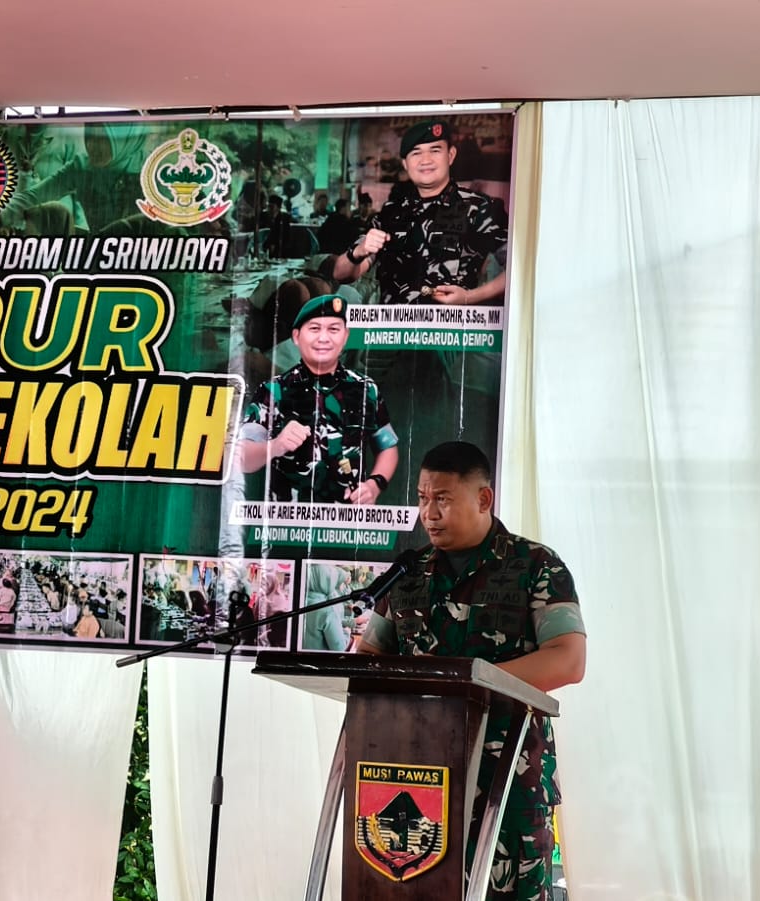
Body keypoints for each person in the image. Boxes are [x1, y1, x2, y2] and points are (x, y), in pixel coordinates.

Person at [359, 441, 585, 901]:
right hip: (413, 779)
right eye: (423, 498)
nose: (429, 513)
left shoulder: (535, 565)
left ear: (484, 498)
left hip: (507, 780)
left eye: (442, 499)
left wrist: (470, 681)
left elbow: (568, 658)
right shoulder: (409, 573)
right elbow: (370, 659)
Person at [239, 294, 399, 504]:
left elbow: (387, 446)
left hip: (348, 515)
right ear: (296, 336)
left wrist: (375, 484)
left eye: (334, 329)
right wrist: (275, 446)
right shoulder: (273, 391)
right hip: (288, 517)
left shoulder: (365, 389)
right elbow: (242, 457)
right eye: (314, 329)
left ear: (345, 336)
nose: (324, 338)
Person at [331, 121, 509, 306]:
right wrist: (357, 252)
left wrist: (469, 297)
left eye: (435, 150)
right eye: (416, 153)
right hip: (392, 323)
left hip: (451, 323)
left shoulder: (479, 208)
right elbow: (341, 274)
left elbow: (518, 268)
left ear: (450, 155)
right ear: (405, 163)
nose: (426, 160)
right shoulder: (391, 213)